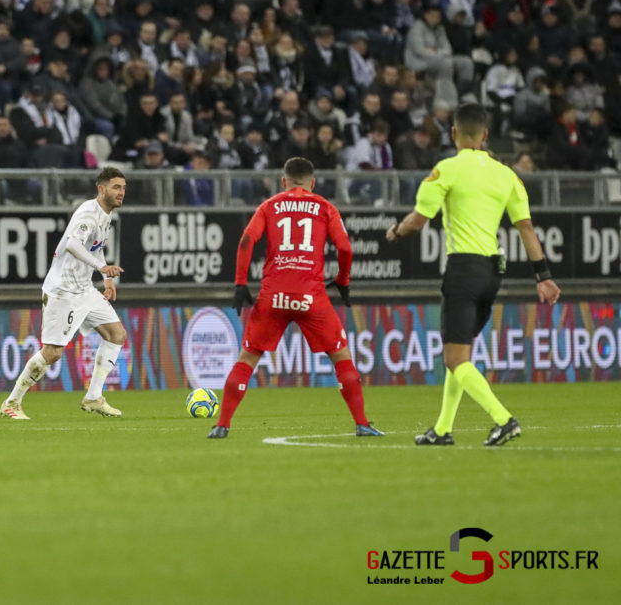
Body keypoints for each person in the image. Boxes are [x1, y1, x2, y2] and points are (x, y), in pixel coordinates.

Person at [385, 103, 561, 447]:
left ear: (453, 134)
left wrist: (395, 231)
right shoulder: (506, 174)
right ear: (484, 135)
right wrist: (544, 276)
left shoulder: (446, 169)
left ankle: (503, 419)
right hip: (493, 272)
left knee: (453, 358)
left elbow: (419, 220)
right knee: (460, 355)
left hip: (463, 269)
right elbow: (526, 227)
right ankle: (442, 430)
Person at [208, 157, 383, 439]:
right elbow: (345, 248)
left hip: (273, 294)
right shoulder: (325, 207)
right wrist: (343, 280)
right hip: (311, 296)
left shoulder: (269, 205)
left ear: (283, 181)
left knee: (247, 358)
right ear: (313, 183)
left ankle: (222, 425)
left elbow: (245, 241)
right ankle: (362, 423)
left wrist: (241, 284)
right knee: (341, 356)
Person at [1, 167, 128, 420]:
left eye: (123, 188)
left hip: (84, 288)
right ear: (101, 189)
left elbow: (96, 247)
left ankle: (93, 397)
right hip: (64, 290)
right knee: (53, 353)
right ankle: (11, 402)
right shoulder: (88, 213)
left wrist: (106, 278)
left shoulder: (105, 215)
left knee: (116, 334)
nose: (121, 192)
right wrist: (101, 267)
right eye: (116, 187)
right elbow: (72, 244)